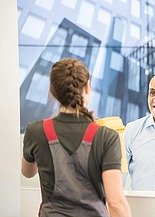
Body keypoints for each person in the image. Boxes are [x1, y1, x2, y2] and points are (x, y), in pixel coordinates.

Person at [21, 58, 132, 217]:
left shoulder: (35, 131)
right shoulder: (107, 136)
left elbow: (27, 172)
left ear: (53, 91)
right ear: (87, 87)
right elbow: (115, 203)